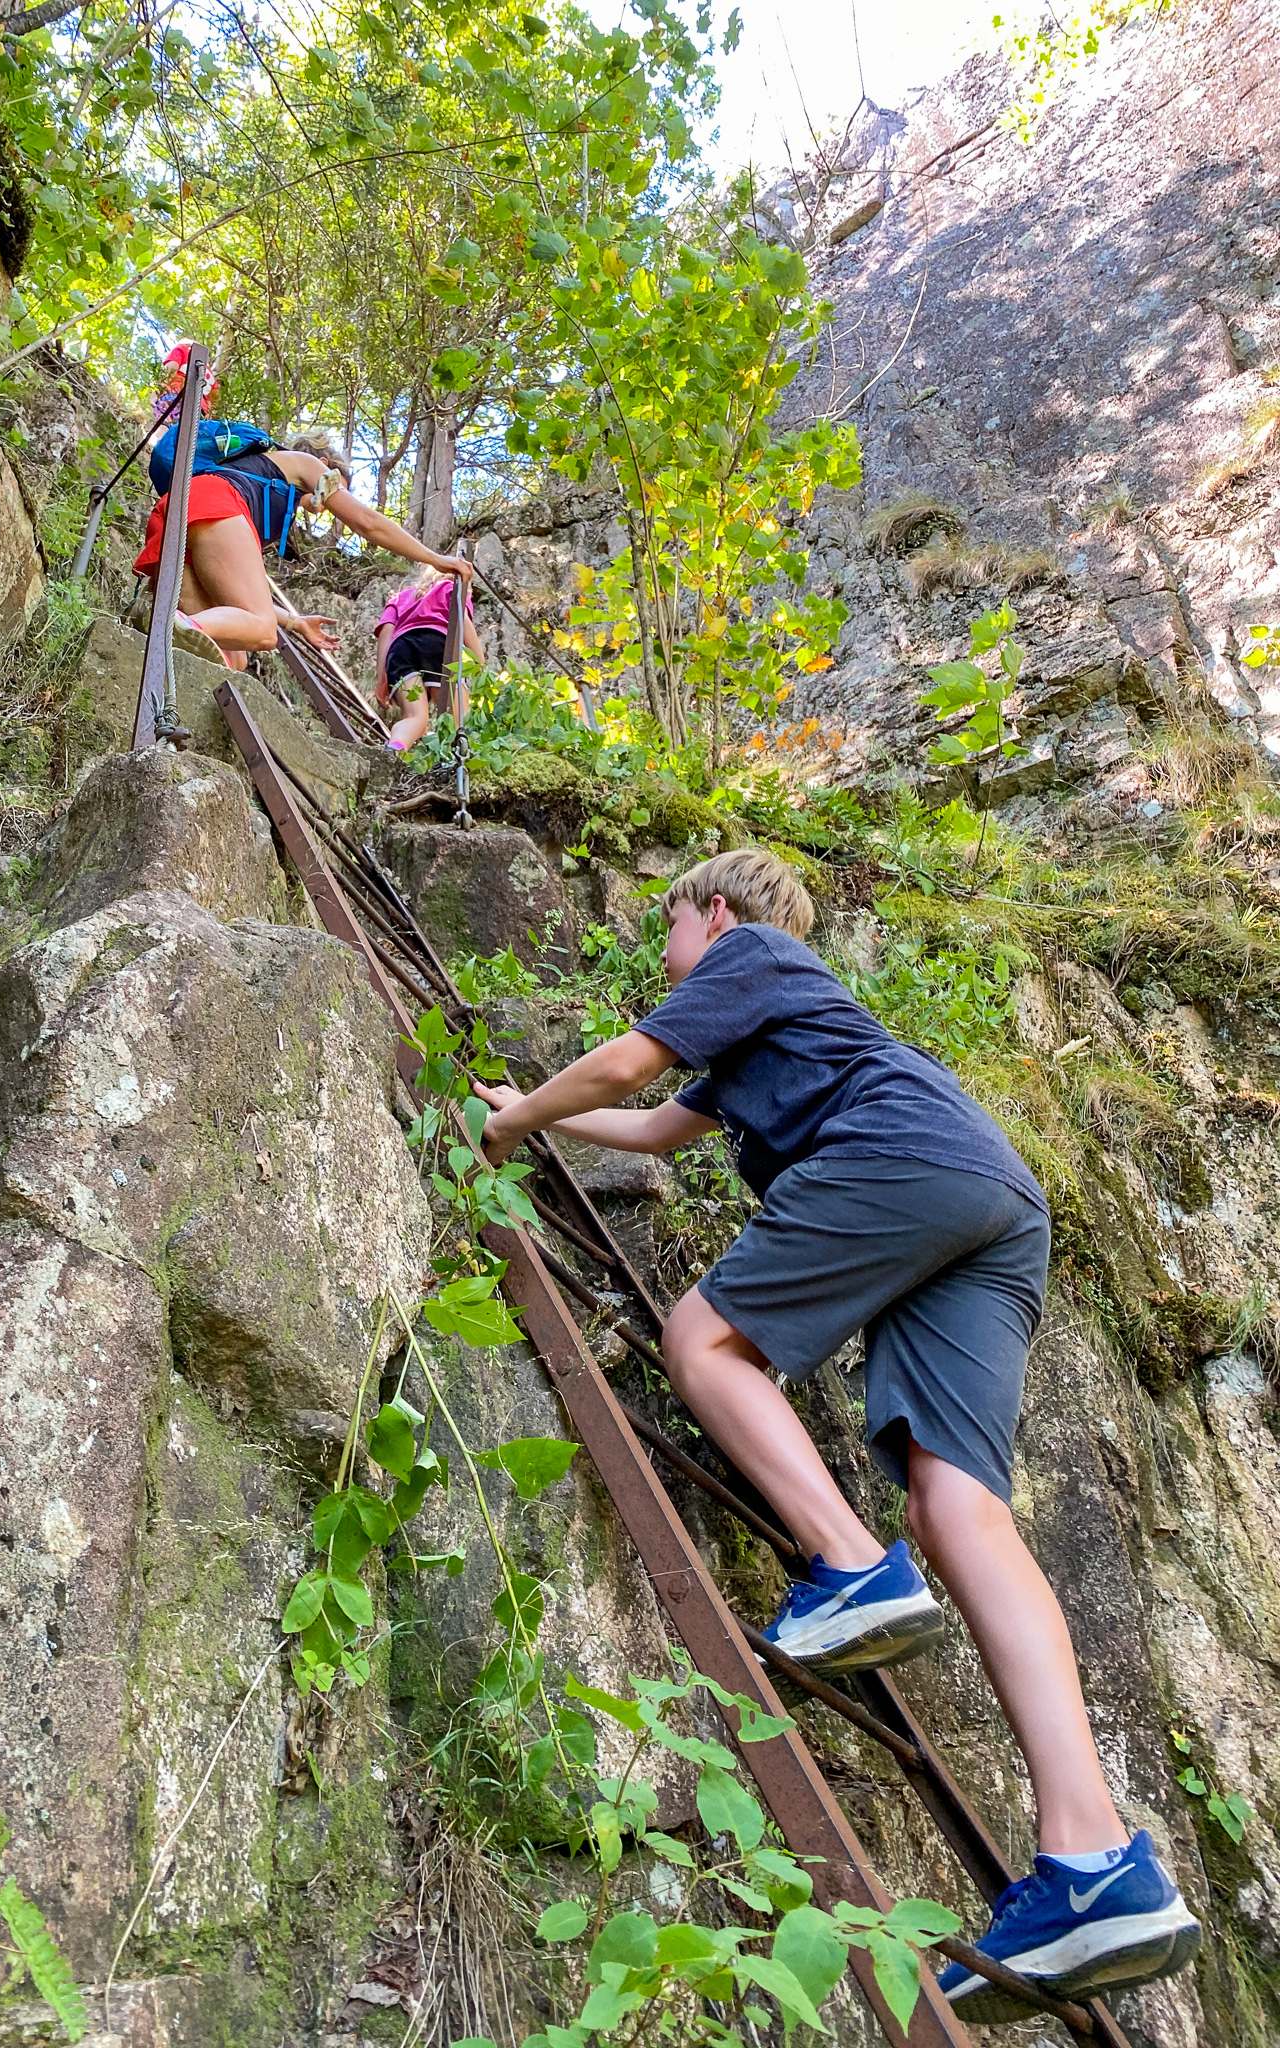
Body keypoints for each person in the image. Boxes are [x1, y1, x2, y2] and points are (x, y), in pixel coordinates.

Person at [471, 848, 1201, 2022]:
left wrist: (508, 1133)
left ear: (711, 914)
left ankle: (850, 1566)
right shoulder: (782, 1026)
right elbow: (656, 1123)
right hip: (994, 1201)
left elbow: (623, 1064)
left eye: (667, 933)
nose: (662, 962)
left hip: (905, 1159)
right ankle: (1093, 1857)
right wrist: (534, 1113)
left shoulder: (754, 953)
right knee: (959, 1507)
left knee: (705, 1338)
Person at [135, 346, 472, 668]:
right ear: (325, 466)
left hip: (182, 512)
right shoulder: (306, 464)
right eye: (335, 490)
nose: (327, 507)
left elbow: (238, 594)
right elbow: (368, 523)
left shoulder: (274, 492)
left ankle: (164, 625)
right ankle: (163, 621)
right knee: (263, 632)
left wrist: (295, 622)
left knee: (234, 657)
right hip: (216, 505)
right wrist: (435, 559)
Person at [374, 563, 485, 752]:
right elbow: (461, 618)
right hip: (439, 644)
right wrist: (481, 663)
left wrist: (381, 678)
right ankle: (457, 761)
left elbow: (386, 633)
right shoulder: (453, 588)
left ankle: (395, 747)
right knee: (459, 719)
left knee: (416, 718)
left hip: (400, 649)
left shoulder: (399, 598)